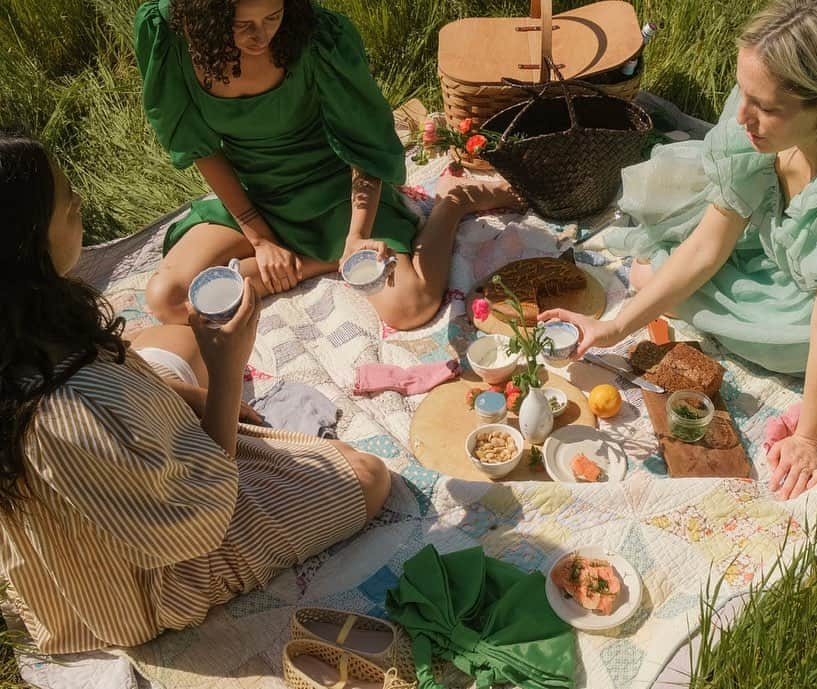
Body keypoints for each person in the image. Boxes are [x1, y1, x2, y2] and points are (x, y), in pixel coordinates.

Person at [0, 133, 390, 653]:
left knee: (177, 337)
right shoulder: (69, 415)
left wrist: (192, 396)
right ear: (29, 244)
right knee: (367, 473)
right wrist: (228, 373)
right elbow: (200, 523)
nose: (81, 205)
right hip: (153, 579)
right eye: (69, 204)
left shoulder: (23, 324)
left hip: (137, 478)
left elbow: (121, 373)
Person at [540, 0, 817, 501]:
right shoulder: (765, 123)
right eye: (745, 94)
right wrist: (613, 327)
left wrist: (806, 436)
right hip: (777, 255)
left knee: (689, 298)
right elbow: (708, 245)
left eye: (767, 108)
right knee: (651, 278)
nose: (742, 118)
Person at [134, 0, 518, 331]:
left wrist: (357, 236)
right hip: (252, 194)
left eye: (273, 16)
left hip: (334, 189)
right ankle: (316, 262)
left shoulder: (317, 37)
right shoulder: (170, 36)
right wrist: (260, 239)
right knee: (168, 300)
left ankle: (454, 203)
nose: (262, 35)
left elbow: (363, 144)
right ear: (209, 15)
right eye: (243, 25)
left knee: (410, 306)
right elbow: (201, 148)